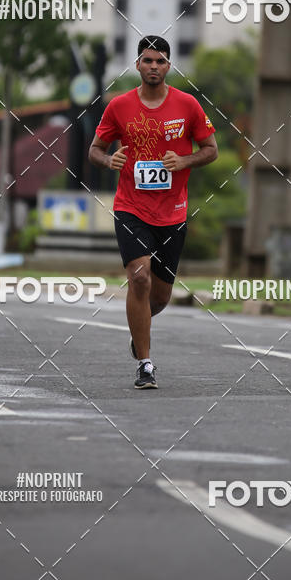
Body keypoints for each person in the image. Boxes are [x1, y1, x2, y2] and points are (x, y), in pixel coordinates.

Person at [88, 36, 218, 389]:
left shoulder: (188, 105)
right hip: (130, 206)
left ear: (169, 66)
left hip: (173, 212)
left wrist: (184, 160)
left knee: (159, 296)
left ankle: (138, 332)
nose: (154, 66)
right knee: (139, 278)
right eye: (147, 61)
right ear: (137, 65)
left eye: (160, 61)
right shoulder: (119, 106)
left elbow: (211, 149)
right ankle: (145, 364)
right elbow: (95, 150)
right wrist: (108, 159)